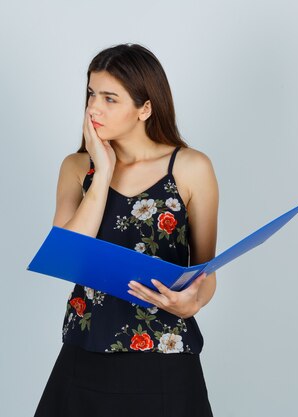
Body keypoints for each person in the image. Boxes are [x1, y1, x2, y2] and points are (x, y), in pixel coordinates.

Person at [33, 43, 219, 417]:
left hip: (164, 359)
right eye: (90, 94)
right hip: (86, 352)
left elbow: (206, 271)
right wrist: (101, 175)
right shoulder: (76, 168)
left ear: (145, 108)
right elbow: (68, 255)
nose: (93, 108)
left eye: (109, 98)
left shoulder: (191, 167)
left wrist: (191, 303)